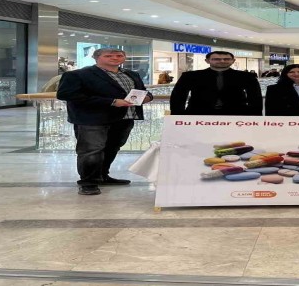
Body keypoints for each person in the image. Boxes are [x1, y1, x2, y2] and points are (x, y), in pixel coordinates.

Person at [57, 49, 153, 196]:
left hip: (125, 117)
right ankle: (88, 183)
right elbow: (66, 94)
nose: (115, 58)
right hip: (92, 119)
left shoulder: (131, 74)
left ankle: (102, 176)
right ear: (96, 58)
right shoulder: (78, 74)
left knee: (112, 148)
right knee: (91, 151)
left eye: (119, 55)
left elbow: (142, 91)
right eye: (108, 56)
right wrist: (112, 102)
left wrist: (148, 97)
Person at [170, 51, 262, 115]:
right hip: (198, 114)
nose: (222, 61)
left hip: (237, 115)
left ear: (233, 61)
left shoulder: (246, 76)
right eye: (216, 59)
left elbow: (255, 97)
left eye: (226, 59)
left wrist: (256, 116)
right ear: (207, 61)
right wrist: (177, 115)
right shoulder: (190, 76)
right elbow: (178, 97)